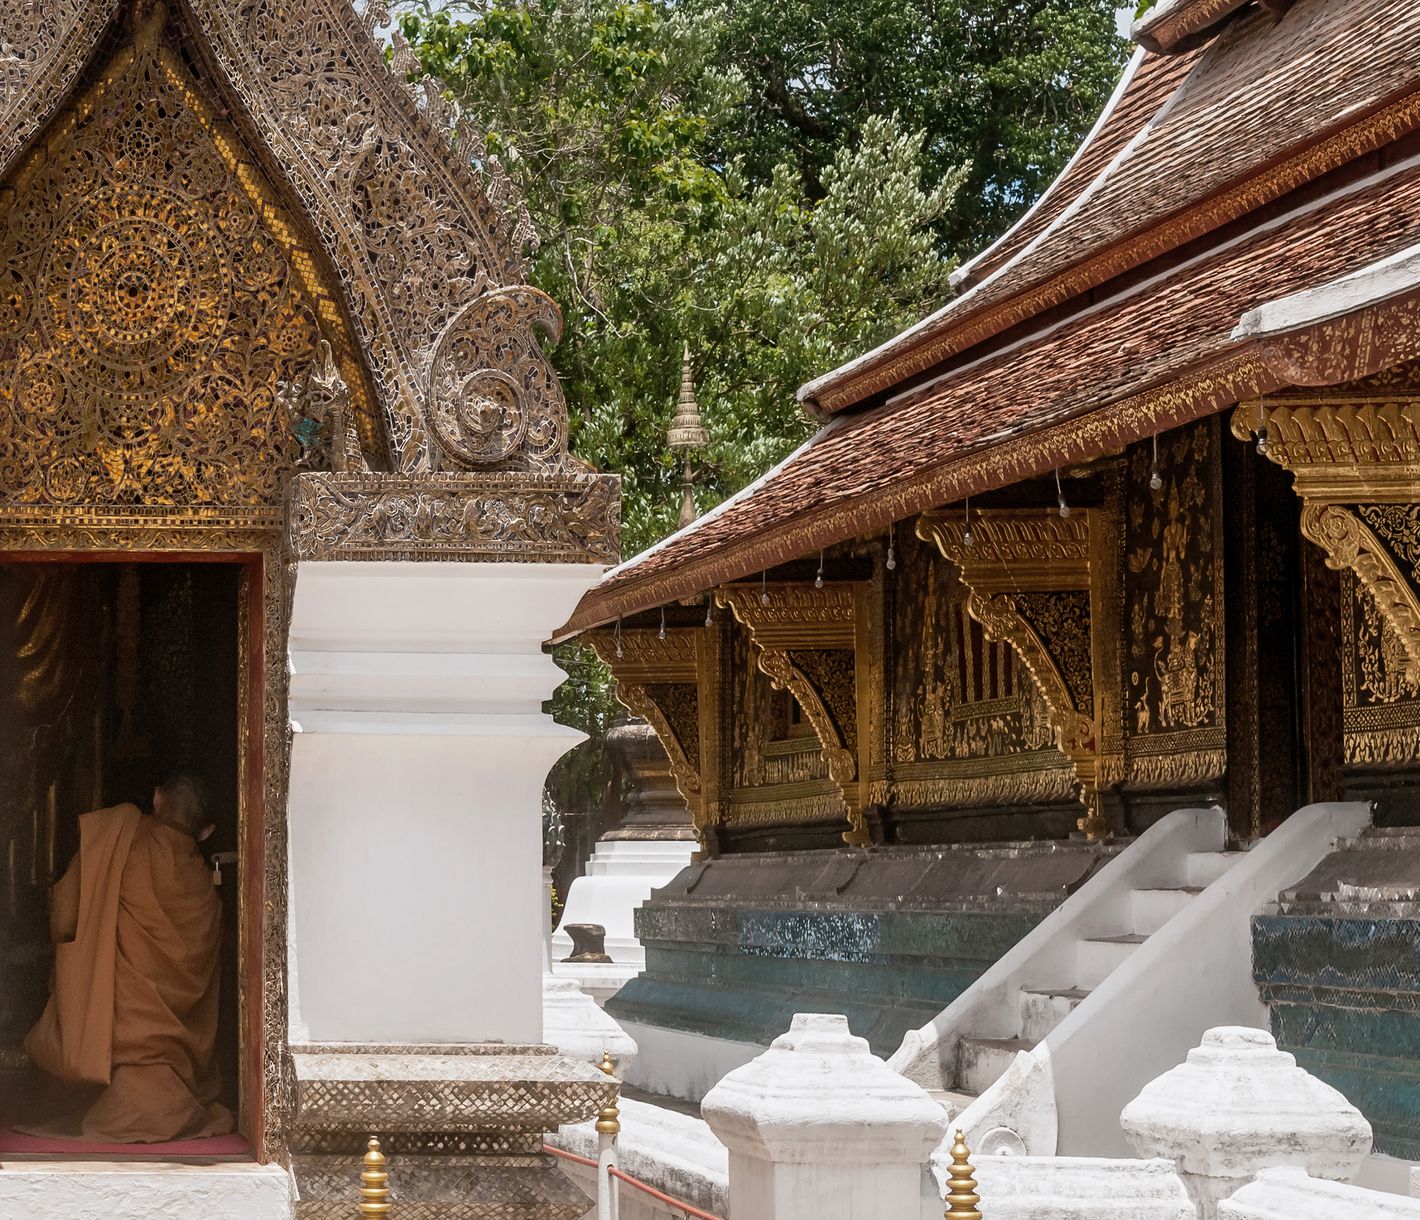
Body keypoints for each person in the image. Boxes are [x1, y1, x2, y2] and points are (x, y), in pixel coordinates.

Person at [21, 775, 234, 1143]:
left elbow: (66, 915)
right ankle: (162, 1095)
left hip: (121, 1013)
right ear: (206, 832)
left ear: (156, 799)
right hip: (175, 1043)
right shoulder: (205, 888)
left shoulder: (120, 840)